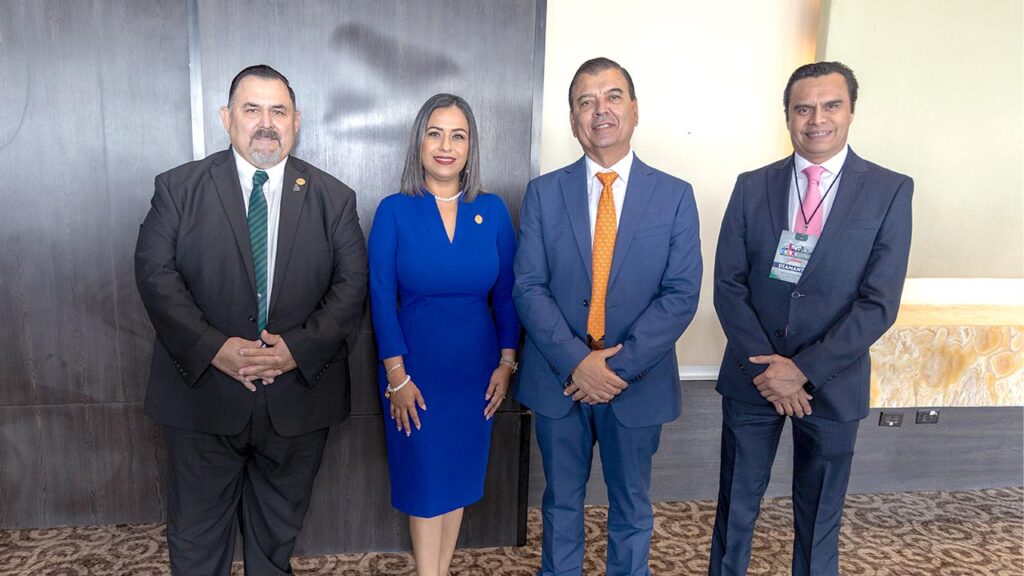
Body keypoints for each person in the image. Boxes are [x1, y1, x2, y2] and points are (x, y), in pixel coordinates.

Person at [134, 65, 367, 575]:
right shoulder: (178, 188)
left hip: (296, 400)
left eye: (278, 111)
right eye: (252, 109)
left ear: (296, 121)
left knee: (275, 542)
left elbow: (351, 289)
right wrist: (214, 348)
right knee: (197, 543)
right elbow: (155, 277)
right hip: (201, 397)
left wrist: (296, 350)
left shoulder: (334, 198)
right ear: (227, 118)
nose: (266, 123)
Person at [708, 61, 913, 576]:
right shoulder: (752, 185)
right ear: (787, 116)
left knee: (820, 517)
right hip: (753, 377)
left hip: (833, 381)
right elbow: (729, 284)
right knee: (735, 508)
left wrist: (802, 370)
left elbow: (879, 301)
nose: (816, 119)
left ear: (851, 111)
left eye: (830, 105)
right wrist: (769, 370)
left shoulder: (890, 190)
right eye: (803, 108)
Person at [513, 57, 702, 576]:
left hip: (636, 383)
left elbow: (681, 294)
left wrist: (613, 369)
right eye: (586, 101)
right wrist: (578, 363)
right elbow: (528, 286)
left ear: (635, 110)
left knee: (632, 508)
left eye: (613, 96)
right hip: (560, 380)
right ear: (573, 120)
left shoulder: (674, 195)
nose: (601, 110)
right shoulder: (543, 193)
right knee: (559, 505)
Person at [367, 93, 520, 576]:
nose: (446, 146)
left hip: (476, 373)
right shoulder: (394, 211)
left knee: (456, 482)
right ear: (419, 142)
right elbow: (379, 297)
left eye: (458, 135)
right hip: (414, 373)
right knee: (426, 484)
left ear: (471, 146)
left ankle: (440, 570)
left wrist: (507, 363)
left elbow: (507, 295)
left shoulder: (493, 211)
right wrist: (396, 376)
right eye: (435, 134)